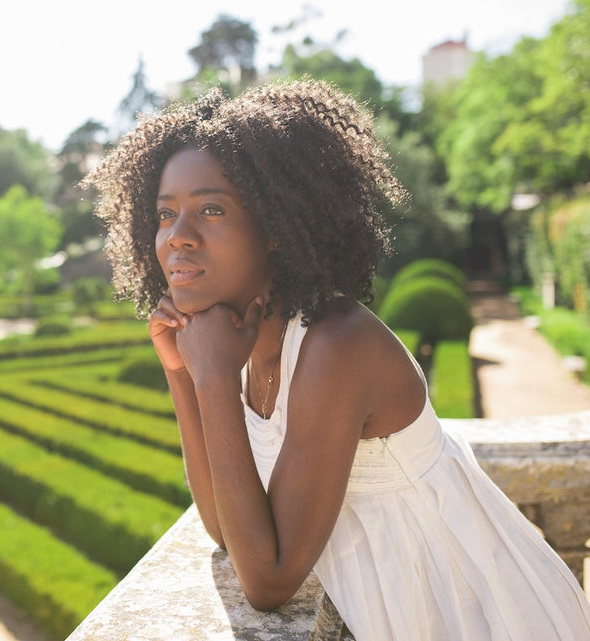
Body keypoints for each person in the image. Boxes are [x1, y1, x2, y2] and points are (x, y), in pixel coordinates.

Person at [83, 78, 590, 640]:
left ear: (274, 226)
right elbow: (224, 529)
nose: (177, 237)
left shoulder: (335, 345)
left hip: (470, 611)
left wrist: (212, 378)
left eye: (211, 210)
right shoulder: (246, 341)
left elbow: (268, 582)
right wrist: (184, 374)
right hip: (396, 605)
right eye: (164, 214)